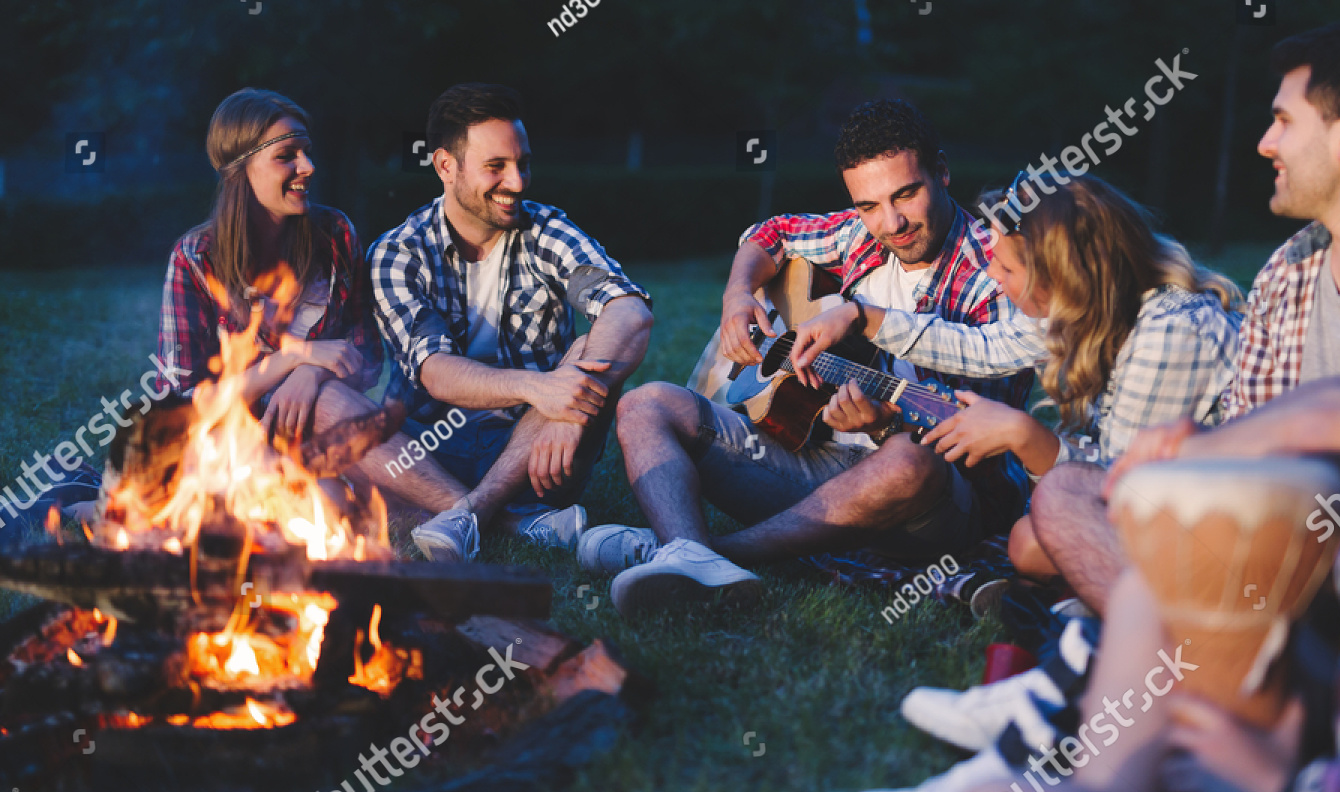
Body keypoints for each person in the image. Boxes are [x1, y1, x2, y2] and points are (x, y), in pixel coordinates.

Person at [891, 32, 1340, 792]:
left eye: (1283, 121)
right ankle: (1102, 746)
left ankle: (1086, 720)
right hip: (1324, 684)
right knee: (1126, 585)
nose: (1264, 142)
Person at [1028, 16, 1340, 617]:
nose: (1266, 142)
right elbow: (1246, 438)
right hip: (1271, 529)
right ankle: (1186, 644)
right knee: (1067, 495)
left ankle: (1162, 647)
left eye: (1285, 121)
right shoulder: (1285, 272)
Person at [582, 99, 1039, 617]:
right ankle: (690, 553)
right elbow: (770, 233)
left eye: (906, 195)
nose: (891, 223)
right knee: (647, 405)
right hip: (813, 458)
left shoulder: (995, 272)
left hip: (925, 499)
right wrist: (737, 296)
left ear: (942, 171)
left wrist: (886, 428)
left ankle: (697, 555)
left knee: (910, 461)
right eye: (868, 205)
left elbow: (985, 447)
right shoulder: (859, 235)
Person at [789, 174, 1241, 580]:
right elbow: (987, 347)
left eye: (1007, 268)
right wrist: (862, 315)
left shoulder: (1170, 334)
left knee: (1031, 543)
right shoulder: (1090, 304)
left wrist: (1023, 436)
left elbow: (1122, 496)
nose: (991, 275)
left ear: (1062, 276)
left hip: (1225, 528)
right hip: (1161, 502)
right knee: (1029, 539)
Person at [369, 83, 653, 562]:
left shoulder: (546, 231)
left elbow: (629, 310)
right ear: (445, 166)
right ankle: (513, 524)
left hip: (538, 454)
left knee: (592, 344)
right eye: (496, 167)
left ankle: (466, 516)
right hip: (433, 453)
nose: (518, 182)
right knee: (339, 415)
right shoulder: (398, 253)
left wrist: (568, 407)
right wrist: (538, 388)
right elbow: (435, 372)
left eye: (522, 163)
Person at [158, 89, 463, 513]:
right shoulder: (195, 257)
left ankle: (468, 512)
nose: (308, 167)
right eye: (287, 156)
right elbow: (183, 403)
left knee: (331, 407)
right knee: (331, 504)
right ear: (238, 170)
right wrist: (291, 360)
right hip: (224, 441)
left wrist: (311, 375)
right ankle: (480, 512)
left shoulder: (333, 234)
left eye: (307, 151)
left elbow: (367, 353)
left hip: (316, 425)